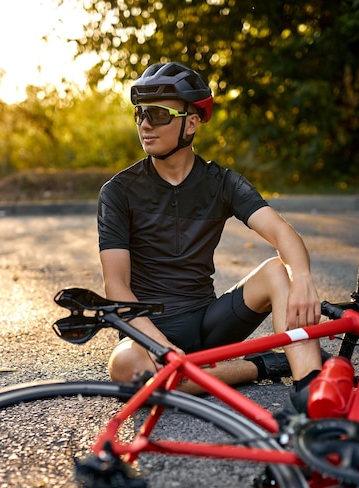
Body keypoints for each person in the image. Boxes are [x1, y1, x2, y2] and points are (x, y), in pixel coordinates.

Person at [97, 62, 322, 413]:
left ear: (191, 122)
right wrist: (162, 348)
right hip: (148, 332)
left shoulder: (221, 182)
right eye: (140, 113)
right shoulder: (118, 192)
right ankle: (258, 366)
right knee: (127, 372)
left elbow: (281, 232)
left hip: (207, 323)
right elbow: (116, 287)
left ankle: (311, 391)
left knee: (282, 270)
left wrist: (303, 277)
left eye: (157, 114)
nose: (144, 124)